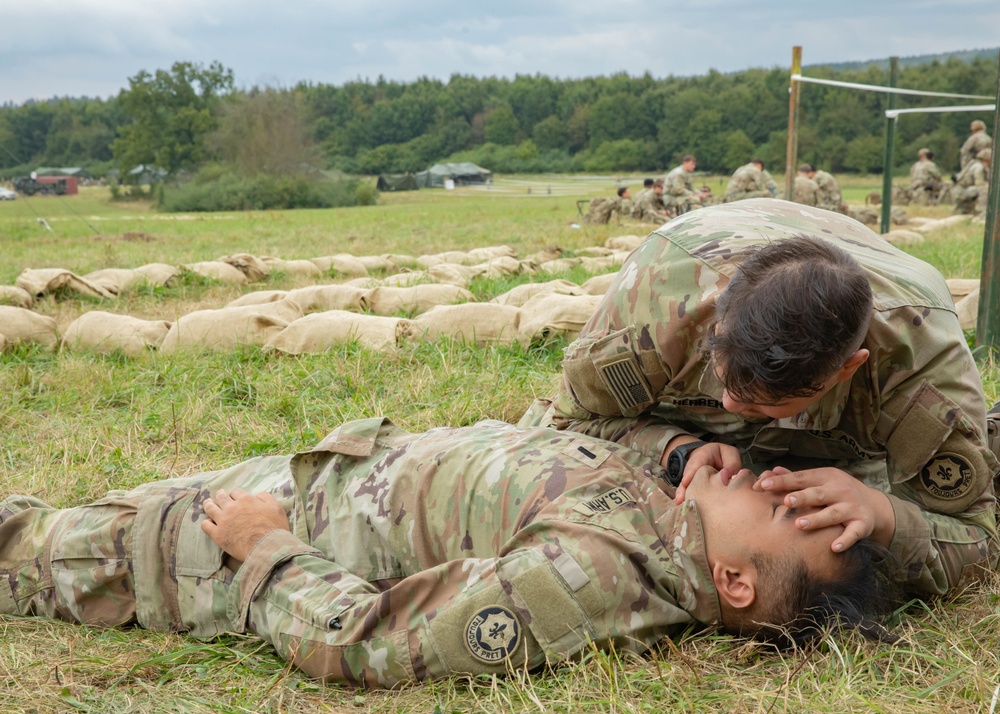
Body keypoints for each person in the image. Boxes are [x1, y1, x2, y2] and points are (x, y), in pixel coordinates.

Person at [0, 418, 896, 687]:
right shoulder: (669, 515)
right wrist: (677, 462)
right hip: (315, 475)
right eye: (795, 489)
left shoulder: (593, 577)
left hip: (236, 543)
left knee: (28, 552)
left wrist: (263, 549)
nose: (779, 486)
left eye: (788, 517)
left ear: (732, 582)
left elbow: (367, 640)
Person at [523, 198, 998, 598]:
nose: (730, 405)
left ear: (846, 370)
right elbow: (562, 422)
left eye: (761, 403)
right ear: (716, 322)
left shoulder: (922, 365)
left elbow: (977, 540)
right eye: (725, 381)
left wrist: (881, 513)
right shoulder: (657, 305)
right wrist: (671, 447)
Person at [953, 148, 991, 216]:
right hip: (962, 191)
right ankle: (983, 211)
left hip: (962, 190)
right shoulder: (979, 167)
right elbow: (979, 183)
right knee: (984, 189)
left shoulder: (974, 164)